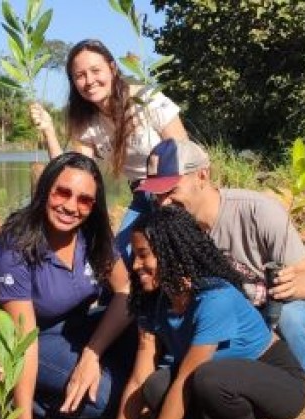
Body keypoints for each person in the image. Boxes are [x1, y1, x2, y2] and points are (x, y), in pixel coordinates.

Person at [77, 206, 305, 419]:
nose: (135, 265)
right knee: (155, 386)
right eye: (135, 255)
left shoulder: (214, 298)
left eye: (144, 254)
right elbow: (139, 380)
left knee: (205, 379)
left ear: (171, 253)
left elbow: (187, 381)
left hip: (276, 381)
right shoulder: (155, 301)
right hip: (218, 382)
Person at [0, 152, 133, 419]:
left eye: (84, 200)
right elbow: (22, 337)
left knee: (142, 328)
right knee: (108, 399)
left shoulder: (93, 235)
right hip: (32, 341)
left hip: (78, 331)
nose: (71, 207)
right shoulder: (16, 243)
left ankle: (74, 383)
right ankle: (32, 403)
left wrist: (92, 354)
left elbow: (126, 291)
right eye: (62, 192)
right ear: (45, 190)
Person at [137, 138, 305, 374]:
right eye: (156, 194)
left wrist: (291, 285)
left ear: (202, 176)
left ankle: (289, 386)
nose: (163, 203)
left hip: (267, 314)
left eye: (171, 190)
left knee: (294, 316)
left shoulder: (258, 212)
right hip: (218, 318)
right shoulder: (164, 227)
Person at [30, 39, 187, 257]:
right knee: (120, 255)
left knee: (175, 252)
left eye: (95, 71)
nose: (89, 81)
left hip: (175, 190)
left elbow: (185, 153)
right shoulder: (86, 121)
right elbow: (74, 175)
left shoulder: (145, 99)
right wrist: (48, 130)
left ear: (113, 69)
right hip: (141, 195)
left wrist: (176, 200)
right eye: (80, 75)